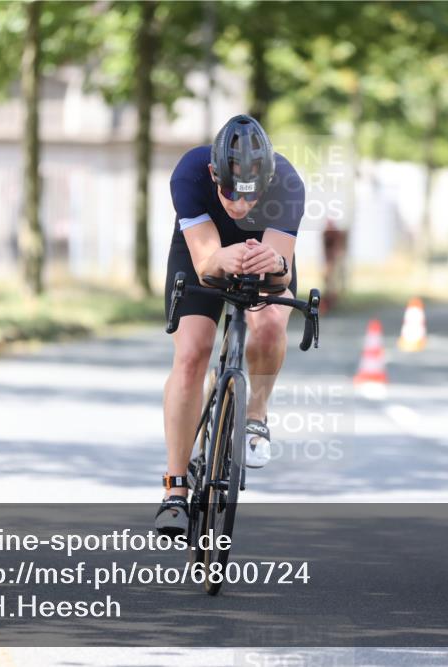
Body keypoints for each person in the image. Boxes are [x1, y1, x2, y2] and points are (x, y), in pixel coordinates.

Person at [155, 115, 305, 536]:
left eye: (250, 196)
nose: (239, 206)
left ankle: (255, 414)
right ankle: (175, 488)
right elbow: (205, 266)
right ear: (213, 174)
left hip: (264, 251)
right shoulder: (189, 172)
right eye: (229, 193)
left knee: (271, 322)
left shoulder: (287, 182)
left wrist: (274, 266)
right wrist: (222, 258)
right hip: (202, 251)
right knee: (192, 354)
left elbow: (282, 275)